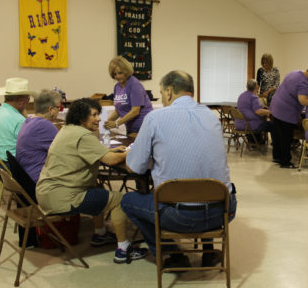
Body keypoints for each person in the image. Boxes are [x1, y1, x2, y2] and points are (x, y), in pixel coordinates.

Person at [120, 70, 237, 268]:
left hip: (180, 217)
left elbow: (135, 167)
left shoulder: (154, 118)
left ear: (168, 91)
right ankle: (208, 251)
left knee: (128, 201)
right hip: (224, 211)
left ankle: (170, 254)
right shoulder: (211, 117)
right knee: (201, 181)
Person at [36, 98, 147, 264]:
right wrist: (131, 151)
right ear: (81, 118)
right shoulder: (83, 136)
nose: (99, 119)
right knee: (119, 199)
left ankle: (100, 233)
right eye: (94, 115)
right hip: (63, 198)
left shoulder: (67, 130)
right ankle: (123, 250)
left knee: (96, 186)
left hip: (46, 193)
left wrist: (112, 151)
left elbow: (95, 152)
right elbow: (111, 160)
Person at [270, 65, 308, 168]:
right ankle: (285, 162)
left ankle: (277, 157)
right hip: (286, 112)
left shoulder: (294, 73)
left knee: (278, 135)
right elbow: (303, 101)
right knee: (286, 137)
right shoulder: (304, 83)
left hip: (275, 107)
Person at [16, 89, 61, 184]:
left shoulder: (28, 121)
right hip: (39, 181)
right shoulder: (45, 126)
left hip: (26, 176)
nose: (59, 111)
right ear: (50, 110)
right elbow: (64, 152)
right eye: (59, 107)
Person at [0, 78, 35, 163]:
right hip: (11, 165)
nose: (28, 102)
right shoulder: (19, 120)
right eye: (28, 99)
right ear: (20, 100)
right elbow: (30, 145)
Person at [103, 56, 153, 136]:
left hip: (142, 128)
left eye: (120, 73)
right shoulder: (117, 87)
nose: (117, 77)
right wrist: (106, 123)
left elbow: (135, 111)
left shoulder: (134, 84)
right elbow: (118, 110)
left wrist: (116, 123)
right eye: (114, 74)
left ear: (126, 71)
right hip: (130, 128)